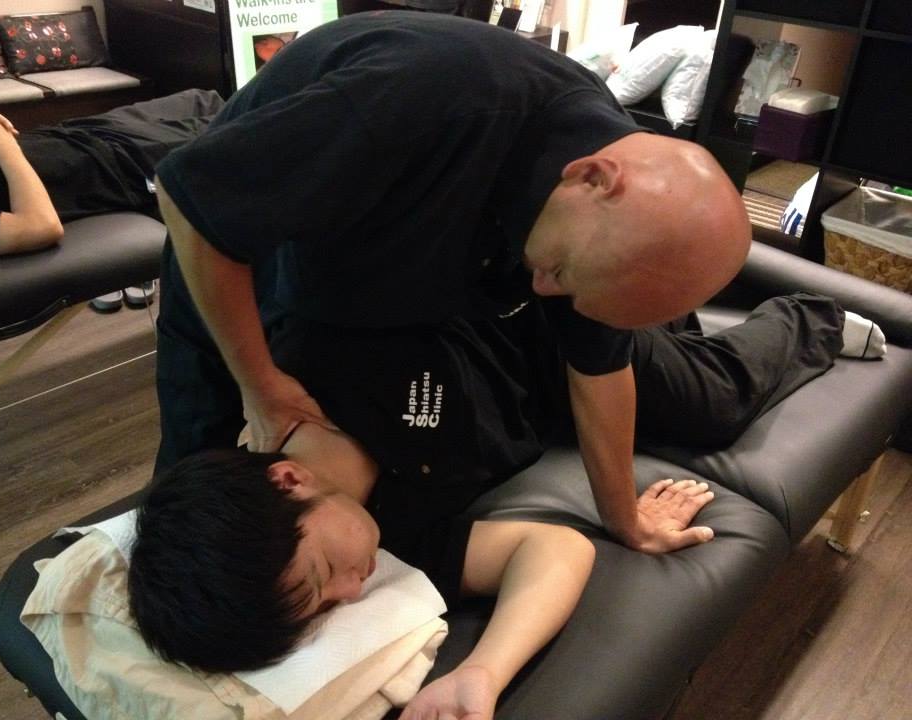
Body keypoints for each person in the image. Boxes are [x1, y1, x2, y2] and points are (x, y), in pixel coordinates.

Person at [152, 12, 752, 559]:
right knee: (195, 503)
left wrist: (626, 522)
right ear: (591, 178)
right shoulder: (421, 95)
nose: (544, 292)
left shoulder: (607, 225)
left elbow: (598, 368)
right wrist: (259, 385)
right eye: (557, 272)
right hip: (236, 268)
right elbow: (193, 201)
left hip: (376, 288)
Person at [129, 290, 885, 718]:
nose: (353, 591)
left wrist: (626, 513)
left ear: (287, 483)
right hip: (549, 402)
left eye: (325, 572)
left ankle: (806, 317)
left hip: (561, 321)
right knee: (672, 340)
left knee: (710, 403)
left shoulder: (315, 352)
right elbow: (553, 549)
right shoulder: (390, 541)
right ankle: (673, 315)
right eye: (327, 605)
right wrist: (483, 672)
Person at [0, 88, 224, 263]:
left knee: (205, 99)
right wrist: (2, 145)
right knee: (233, 128)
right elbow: (41, 227)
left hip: (83, 131)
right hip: (118, 167)